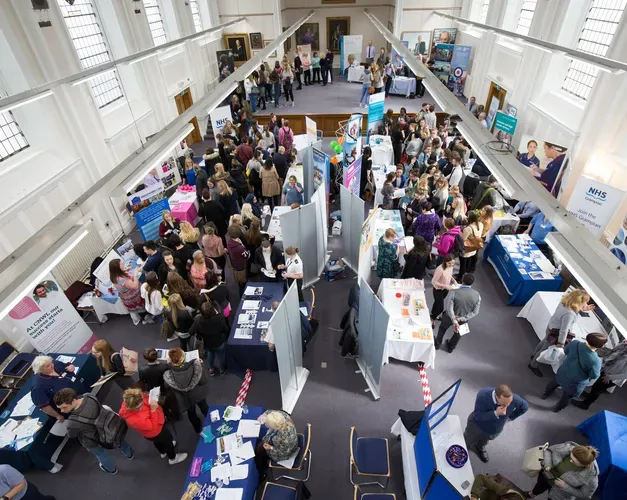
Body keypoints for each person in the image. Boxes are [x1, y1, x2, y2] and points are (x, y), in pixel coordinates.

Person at [54, 388, 134, 475]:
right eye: (60, 408)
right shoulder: (89, 396)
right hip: (109, 426)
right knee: (118, 439)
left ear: (73, 401)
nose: (62, 411)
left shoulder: (72, 422)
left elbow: (72, 435)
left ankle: (111, 469)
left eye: (64, 407)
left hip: (93, 440)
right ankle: (129, 454)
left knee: (101, 454)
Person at [528, 289, 595, 376]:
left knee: (544, 342)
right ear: (579, 301)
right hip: (555, 333)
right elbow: (564, 330)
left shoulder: (565, 302)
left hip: (551, 327)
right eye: (585, 302)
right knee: (545, 349)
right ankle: (533, 364)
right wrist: (561, 343)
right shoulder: (569, 314)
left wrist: (581, 309)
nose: (585, 304)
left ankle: (534, 355)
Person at [119, 388, 187, 465]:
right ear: (134, 407)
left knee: (157, 442)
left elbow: (143, 396)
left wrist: (152, 397)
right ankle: (173, 458)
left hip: (151, 433)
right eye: (140, 405)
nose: (142, 403)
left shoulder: (133, 398)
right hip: (155, 431)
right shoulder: (135, 420)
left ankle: (163, 452)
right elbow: (152, 426)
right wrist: (153, 410)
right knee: (168, 440)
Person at [542, 333, 607, 412]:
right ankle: (557, 408)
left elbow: (566, 351)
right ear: (600, 346)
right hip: (575, 383)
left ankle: (545, 394)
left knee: (554, 383)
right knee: (567, 397)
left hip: (563, 371)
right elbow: (594, 375)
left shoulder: (575, 343)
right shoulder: (596, 361)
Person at [464, 385, 528, 463]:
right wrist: (496, 413)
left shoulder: (514, 399)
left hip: (495, 428)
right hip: (477, 425)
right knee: (467, 439)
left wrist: (510, 418)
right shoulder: (483, 395)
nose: (507, 406)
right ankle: (463, 447)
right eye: (504, 403)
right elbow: (478, 416)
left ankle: (479, 447)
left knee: (485, 441)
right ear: (496, 397)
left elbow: (525, 407)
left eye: (509, 403)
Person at [526, 443, 599, 499]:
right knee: (539, 486)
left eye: (574, 462)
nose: (570, 460)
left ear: (585, 465)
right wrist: (548, 464)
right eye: (570, 457)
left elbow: (585, 495)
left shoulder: (591, 479)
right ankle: (532, 494)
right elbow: (549, 450)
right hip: (546, 476)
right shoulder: (569, 447)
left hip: (559, 494)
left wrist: (565, 486)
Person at [163, 347, 209, 434]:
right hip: (198, 394)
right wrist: (201, 365)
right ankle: (212, 422)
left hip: (185, 398)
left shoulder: (168, 374)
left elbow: (167, 386)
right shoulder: (196, 366)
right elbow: (204, 381)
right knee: (204, 407)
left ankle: (198, 430)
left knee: (191, 413)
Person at [572, 339, 627, 410]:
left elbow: (625, 375)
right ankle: (590, 396)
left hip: (612, 377)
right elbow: (612, 353)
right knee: (596, 386)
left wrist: (610, 377)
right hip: (607, 370)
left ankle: (586, 404)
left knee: (598, 389)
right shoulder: (624, 344)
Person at [435, 273, 481, 353]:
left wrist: (454, 320)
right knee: (459, 333)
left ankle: (437, 344)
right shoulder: (477, 295)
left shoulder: (455, 292)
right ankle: (451, 347)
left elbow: (450, 308)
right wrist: (461, 318)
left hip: (449, 317)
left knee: (442, 328)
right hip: (463, 319)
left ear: (462, 281)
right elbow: (475, 312)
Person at [30, 355, 77, 423]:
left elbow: (68, 365)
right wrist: (57, 416)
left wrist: (71, 366)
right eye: (48, 366)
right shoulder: (38, 386)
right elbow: (44, 406)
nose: (52, 365)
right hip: (68, 407)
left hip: (78, 393)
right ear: (40, 370)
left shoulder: (55, 364)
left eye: (51, 363)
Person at [254, 410, 299, 478]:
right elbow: (271, 412)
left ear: (275, 427)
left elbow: (282, 452)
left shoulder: (285, 437)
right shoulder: (282, 417)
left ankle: (262, 471)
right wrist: (264, 415)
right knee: (260, 446)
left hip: (284, 452)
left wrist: (271, 448)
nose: (266, 425)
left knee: (259, 451)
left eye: (268, 425)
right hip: (284, 445)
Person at [189, 301, 229, 376]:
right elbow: (225, 330)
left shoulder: (198, 320)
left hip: (207, 343)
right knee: (221, 356)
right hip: (219, 341)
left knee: (210, 354)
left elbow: (191, 332)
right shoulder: (219, 318)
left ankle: (211, 369)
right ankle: (222, 370)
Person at [109, 258, 145, 325]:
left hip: (127, 294)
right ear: (117, 268)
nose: (123, 264)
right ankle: (145, 317)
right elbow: (135, 286)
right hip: (133, 295)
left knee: (140, 307)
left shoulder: (114, 275)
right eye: (121, 264)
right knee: (141, 307)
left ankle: (144, 315)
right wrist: (135, 275)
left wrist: (126, 270)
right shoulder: (121, 280)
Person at [430, 254, 457, 325]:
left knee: (437, 303)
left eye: (453, 263)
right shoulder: (440, 269)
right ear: (445, 262)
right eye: (449, 263)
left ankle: (433, 314)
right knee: (440, 308)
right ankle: (433, 319)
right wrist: (445, 286)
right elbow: (433, 281)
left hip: (445, 289)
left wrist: (453, 280)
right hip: (438, 290)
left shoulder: (450, 267)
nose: (451, 265)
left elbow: (449, 274)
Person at [457, 211, 484, 281]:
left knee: (463, 263)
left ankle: (460, 277)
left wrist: (459, 232)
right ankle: (466, 271)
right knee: (468, 261)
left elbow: (462, 239)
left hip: (467, 250)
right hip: (474, 248)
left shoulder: (468, 228)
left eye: (467, 216)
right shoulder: (480, 224)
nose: (466, 217)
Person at [226, 226, 250, 294]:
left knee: (239, 281)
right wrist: (242, 244)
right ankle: (243, 293)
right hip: (241, 265)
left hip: (234, 263)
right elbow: (246, 255)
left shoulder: (229, 241)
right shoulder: (239, 247)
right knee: (243, 282)